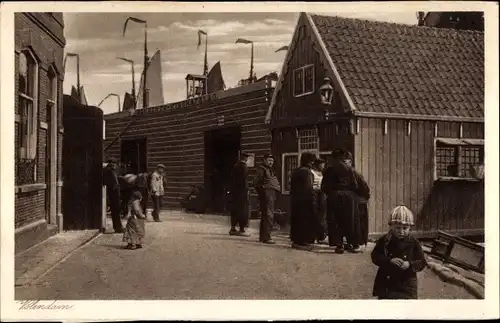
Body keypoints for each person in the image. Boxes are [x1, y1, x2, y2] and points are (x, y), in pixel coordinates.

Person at [371, 206, 427, 299]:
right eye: (397, 228)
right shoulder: (385, 241)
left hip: (406, 284)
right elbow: (375, 256)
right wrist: (389, 260)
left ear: (410, 228)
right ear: (391, 226)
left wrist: (409, 264)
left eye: (405, 228)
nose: (401, 231)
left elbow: (422, 262)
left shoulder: (413, 243)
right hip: (387, 283)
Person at [321, 148, 362, 254]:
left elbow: (324, 186)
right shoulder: (350, 169)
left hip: (335, 195)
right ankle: (353, 243)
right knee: (351, 220)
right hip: (349, 196)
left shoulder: (330, 169)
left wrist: (330, 193)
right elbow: (356, 185)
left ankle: (339, 245)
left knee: (335, 220)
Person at [290, 152, 317, 250]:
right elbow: (308, 188)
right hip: (305, 201)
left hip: (296, 200)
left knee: (297, 221)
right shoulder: (307, 172)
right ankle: (302, 242)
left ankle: (297, 241)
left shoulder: (296, 171)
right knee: (304, 221)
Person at [253, 154, 281, 244]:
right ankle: (267, 237)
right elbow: (256, 183)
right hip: (267, 194)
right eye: (269, 160)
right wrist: (263, 193)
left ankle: (263, 236)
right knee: (268, 215)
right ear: (264, 160)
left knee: (266, 215)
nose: (271, 162)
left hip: (271, 193)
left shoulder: (270, 170)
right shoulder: (262, 169)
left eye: (272, 161)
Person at [229, 152, 250, 236]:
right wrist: (246, 190)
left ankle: (233, 228)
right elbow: (244, 180)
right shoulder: (243, 167)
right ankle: (241, 229)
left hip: (235, 192)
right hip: (241, 192)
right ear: (245, 159)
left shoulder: (236, 166)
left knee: (234, 209)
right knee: (242, 210)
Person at [102, 157, 124, 233]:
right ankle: (118, 227)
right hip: (112, 194)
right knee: (116, 211)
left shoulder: (112, 171)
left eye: (115, 163)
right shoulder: (109, 171)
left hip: (114, 193)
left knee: (116, 211)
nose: (115, 165)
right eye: (113, 163)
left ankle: (118, 227)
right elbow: (112, 184)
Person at [311, 158, 328, 244]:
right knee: (315, 215)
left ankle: (321, 236)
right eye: (321, 164)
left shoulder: (322, 173)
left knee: (322, 215)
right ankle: (314, 235)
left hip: (322, 194)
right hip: (314, 194)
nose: (323, 166)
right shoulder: (311, 172)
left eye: (324, 165)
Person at [353, 169, 370, 247]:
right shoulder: (356, 174)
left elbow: (364, 188)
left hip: (357, 201)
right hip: (360, 200)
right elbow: (365, 188)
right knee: (361, 222)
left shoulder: (353, 174)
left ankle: (359, 240)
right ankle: (361, 240)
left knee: (358, 221)